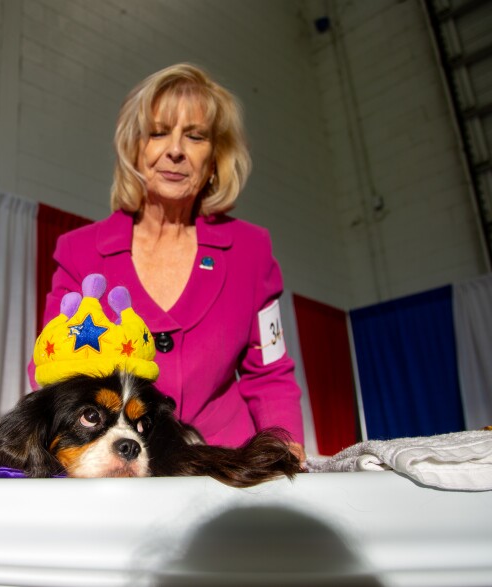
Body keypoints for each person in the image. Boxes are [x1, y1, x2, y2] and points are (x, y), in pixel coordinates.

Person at [35, 63, 305, 460]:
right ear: (135, 149)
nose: (175, 150)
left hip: (226, 465)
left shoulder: (252, 250)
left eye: (195, 136)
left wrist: (285, 447)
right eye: (158, 132)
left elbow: (269, 371)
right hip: (117, 462)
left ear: (215, 158)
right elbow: (54, 368)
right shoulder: (79, 251)